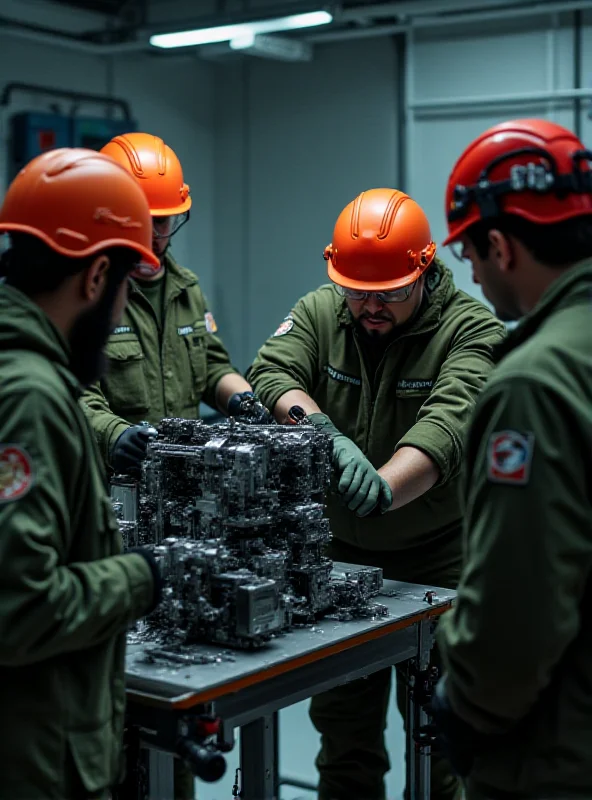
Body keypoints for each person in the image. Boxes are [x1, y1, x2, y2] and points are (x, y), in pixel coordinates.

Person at [247, 187, 506, 800]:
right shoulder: (321, 309)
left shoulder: (472, 329)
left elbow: (452, 424)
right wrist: (324, 435)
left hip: (438, 560)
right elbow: (271, 370)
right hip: (337, 561)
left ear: (423, 270)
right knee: (345, 740)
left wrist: (386, 487)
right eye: (356, 290)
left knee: (443, 741)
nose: (369, 306)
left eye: (387, 292)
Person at [433, 118, 592, 800]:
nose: (471, 273)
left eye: (469, 256)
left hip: (558, 755)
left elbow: (517, 612)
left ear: (499, 245)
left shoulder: (537, 381)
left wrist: (465, 705)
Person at [0, 148, 162, 799]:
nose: (122, 313)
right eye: (125, 288)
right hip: (34, 763)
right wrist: (141, 574)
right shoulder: (30, 396)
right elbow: (19, 605)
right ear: (96, 277)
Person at [82, 132, 266, 477]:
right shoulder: (87, 295)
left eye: (161, 222)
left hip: (185, 483)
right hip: (114, 484)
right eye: (138, 220)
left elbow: (211, 367)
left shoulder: (187, 289)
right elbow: (74, 394)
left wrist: (241, 399)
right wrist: (115, 435)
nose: (150, 236)